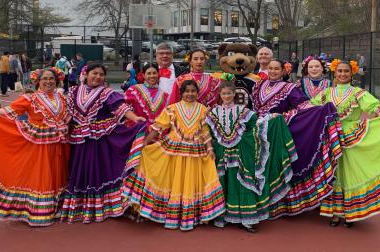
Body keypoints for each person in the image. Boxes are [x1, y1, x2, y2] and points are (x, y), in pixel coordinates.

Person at [312, 59, 380, 227]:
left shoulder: (358, 93)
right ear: (334, 73)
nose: (343, 74)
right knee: (333, 173)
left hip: (350, 137)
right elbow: (310, 107)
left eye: (346, 71)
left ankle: (349, 213)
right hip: (330, 137)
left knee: (349, 174)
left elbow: (376, 108)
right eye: (340, 71)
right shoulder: (326, 93)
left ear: (352, 74)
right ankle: (335, 213)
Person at [0, 67, 71, 226]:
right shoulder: (30, 99)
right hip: (39, 146)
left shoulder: (63, 98)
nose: (48, 81)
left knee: (57, 174)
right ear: (38, 81)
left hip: (60, 145)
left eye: (51, 79)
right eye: (45, 79)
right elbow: (8, 112)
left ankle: (56, 208)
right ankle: (38, 212)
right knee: (40, 176)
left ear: (57, 80)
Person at [123, 79, 225, 231]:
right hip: (173, 149)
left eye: (193, 91)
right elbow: (158, 128)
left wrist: (210, 148)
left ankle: (189, 215)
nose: (190, 94)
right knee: (173, 180)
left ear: (197, 93)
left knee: (189, 182)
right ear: (181, 93)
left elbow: (205, 132)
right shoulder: (172, 109)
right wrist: (146, 143)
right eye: (187, 91)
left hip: (195, 151)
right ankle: (169, 214)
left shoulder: (203, 110)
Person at [253, 59, 342, 220]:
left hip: (276, 131)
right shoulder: (258, 85)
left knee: (274, 164)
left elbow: (302, 106)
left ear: (283, 71)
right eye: (270, 69)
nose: (273, 71)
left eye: (276, 69)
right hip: (257, 130)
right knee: (259, 164)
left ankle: (276, 203)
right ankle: (260, 201)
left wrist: (321, 112)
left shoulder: (290, 88)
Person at [206, 78, 296, 233]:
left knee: (243, 181)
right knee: (223, 182)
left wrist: (272, 119)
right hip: (221, 153)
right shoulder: (213, 112)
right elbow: (208, 132)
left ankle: (247, 219)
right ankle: (223, 215)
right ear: (220, 94)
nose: (227, 96)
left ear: (234, 94)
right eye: (224, 93)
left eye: (229, 93)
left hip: (241, 152)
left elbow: (256, 125)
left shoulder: (244, 111)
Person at [60, 62, 146, 224]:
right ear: (86, 74)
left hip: (100, 139)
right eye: (95, 73)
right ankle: (81, 207)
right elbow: (69, 114)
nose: (98, 77)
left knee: (99, 170)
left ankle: (103, 207)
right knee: (82, 170)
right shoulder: (73, 91)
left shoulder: (107, 93)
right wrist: (64, 125)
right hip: (80, 139)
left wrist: (135, 118)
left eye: (101, 75)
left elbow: (120, 108)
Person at [125, 63, 167, 131]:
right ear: (144, 75)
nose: (152, 76)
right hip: (138, 129)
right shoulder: (133, 90)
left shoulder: (165, 95)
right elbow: (124, 109)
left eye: (154, 73)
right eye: (149, 73)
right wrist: (134, 118)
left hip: (157, 132)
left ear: (158, 74)